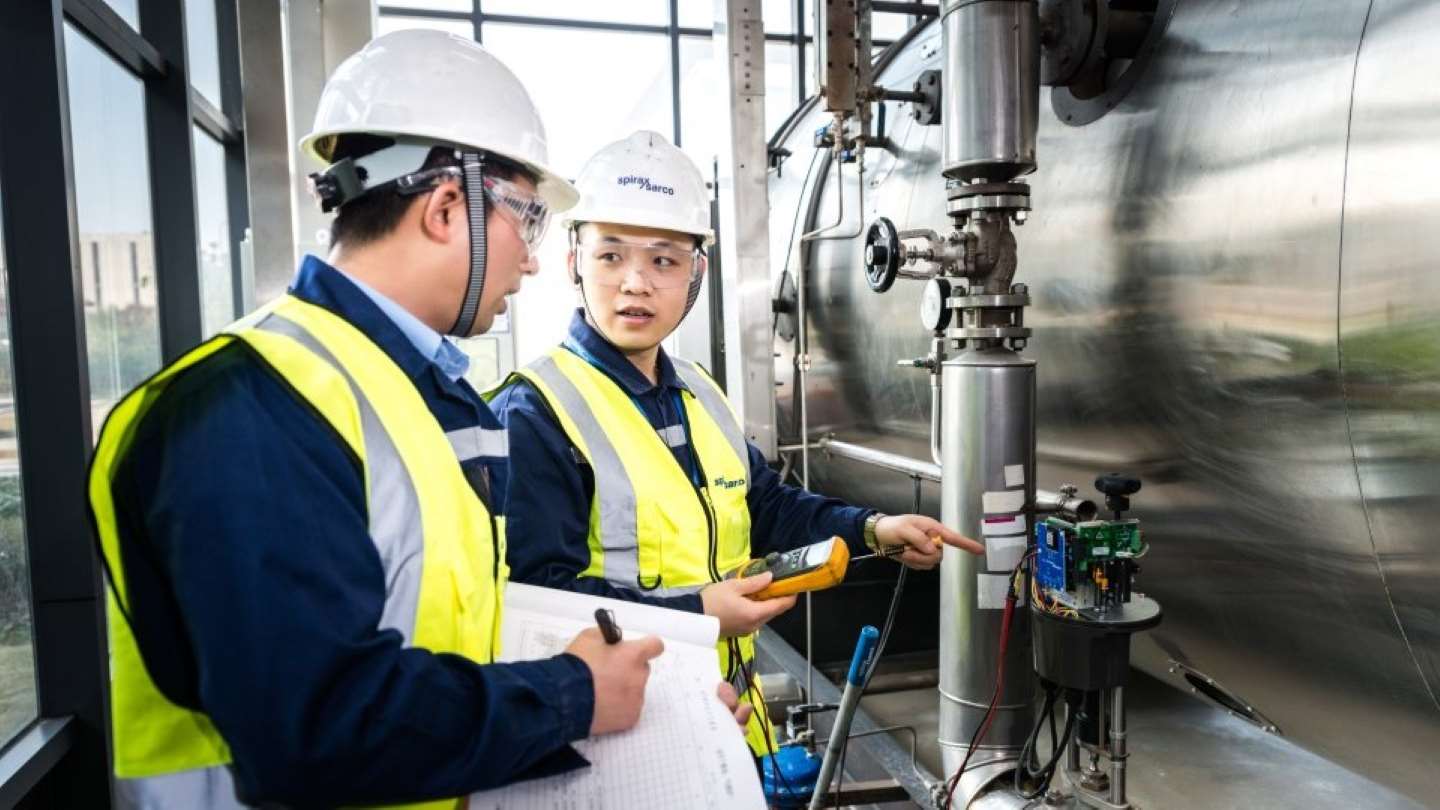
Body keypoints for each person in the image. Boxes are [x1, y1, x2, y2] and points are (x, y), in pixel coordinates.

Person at [88, 31, 676, 809]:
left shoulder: (407, 390)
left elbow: (434, 638)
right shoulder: (247, 407)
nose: (532, 261)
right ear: (444, 208)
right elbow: (318, 730)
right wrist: (570, 696)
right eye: (527, 223)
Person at [489, 130, 984, 755]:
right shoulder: (535, 412)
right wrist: (698, 612)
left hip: (728, 722)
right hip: (617, 741)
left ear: (696, 272)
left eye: (664, 260)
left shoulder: (698, 390)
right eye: (611, 256)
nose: (636, 283)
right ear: (573, 264)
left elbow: (766, 506)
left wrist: (873, 529)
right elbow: (537, 606)